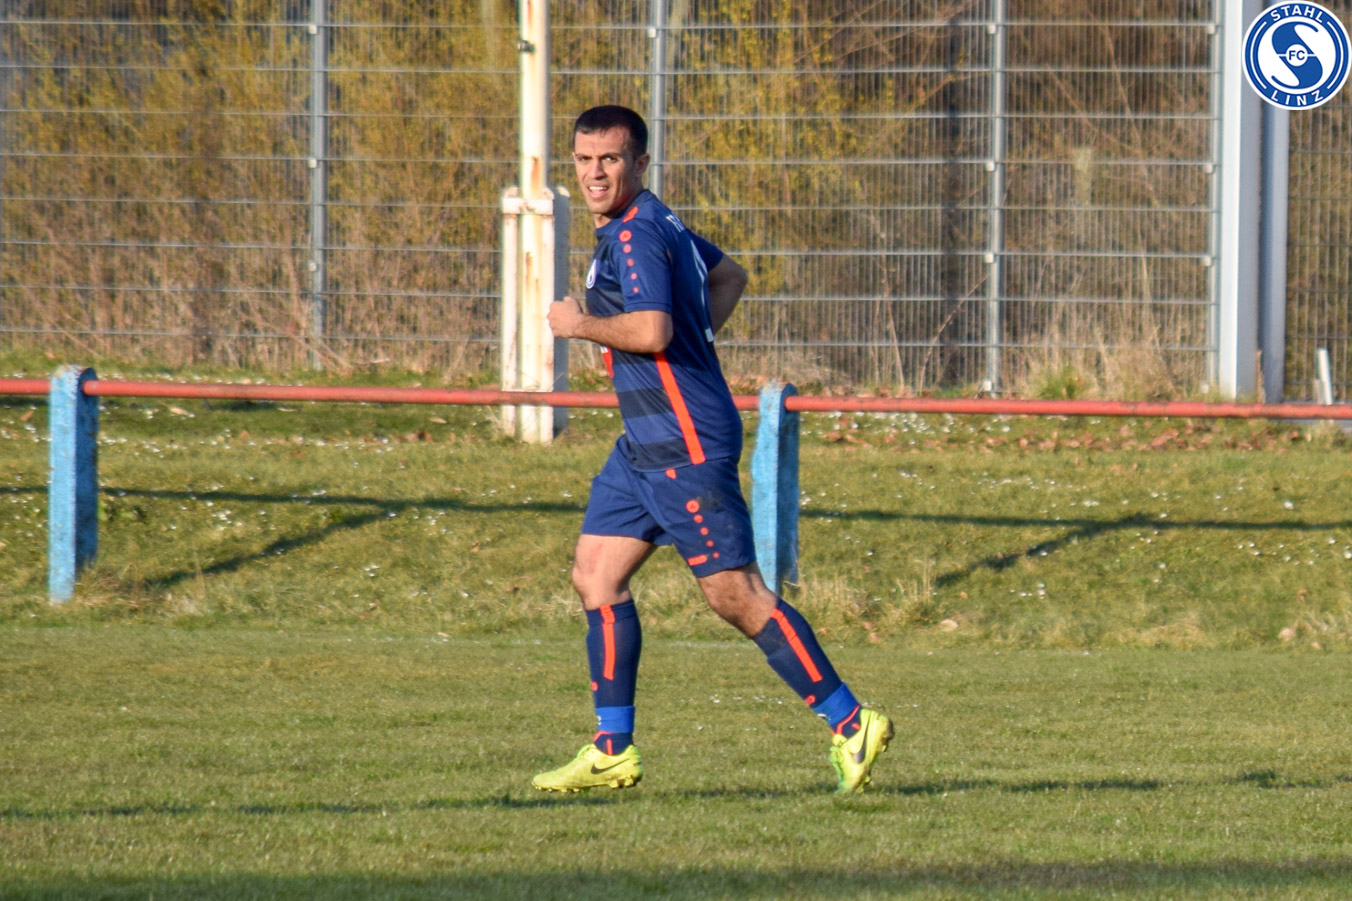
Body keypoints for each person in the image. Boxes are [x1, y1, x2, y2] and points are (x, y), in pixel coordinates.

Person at [535, 105, 892, 794]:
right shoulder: (652, 221)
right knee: (596, 574)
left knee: (736, 595)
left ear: (639, 162)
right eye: (583, 159)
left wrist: (580, 325)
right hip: (644, 443)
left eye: (609, 159)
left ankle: (851, 722)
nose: (594, 173)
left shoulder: (637, 234)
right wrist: (692, 350)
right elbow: (730, 277)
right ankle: (611, 749)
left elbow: (652, 330)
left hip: (683, 442)